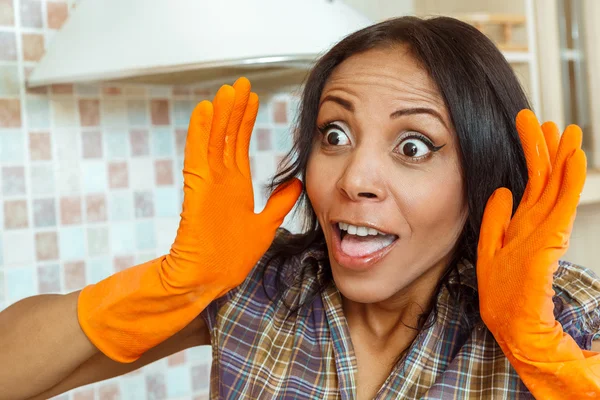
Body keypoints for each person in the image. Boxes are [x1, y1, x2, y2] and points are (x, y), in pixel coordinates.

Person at [1, 16, 599, 400]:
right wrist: (172, 284)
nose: (354, 178)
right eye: (333, 134)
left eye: (413, 146)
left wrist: (543, 354)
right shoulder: (260, 292)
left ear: (484, 173)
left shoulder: (570, 318)